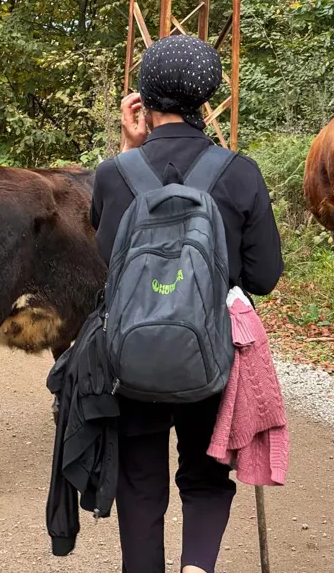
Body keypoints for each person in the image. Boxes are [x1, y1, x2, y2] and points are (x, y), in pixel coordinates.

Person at [89, 35, 283, 572]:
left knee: (141, 481)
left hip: (132, 357)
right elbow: (265, 275)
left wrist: (130, 151)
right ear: (207, 98)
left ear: (142, 99)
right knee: (204, 477)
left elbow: (107, 260)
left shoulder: (113, 173)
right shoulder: (239, 172)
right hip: (212, 357)